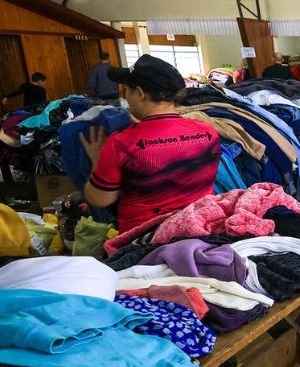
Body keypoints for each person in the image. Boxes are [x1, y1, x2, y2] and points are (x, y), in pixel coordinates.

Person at [79, 55, 220, 233]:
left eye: (127, 91)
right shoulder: (207, 131)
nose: (126, 97)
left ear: (140, 93)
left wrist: (96, 160)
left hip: (146, 238)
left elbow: (100, 200)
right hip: (201, 228)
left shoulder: (121, 142)